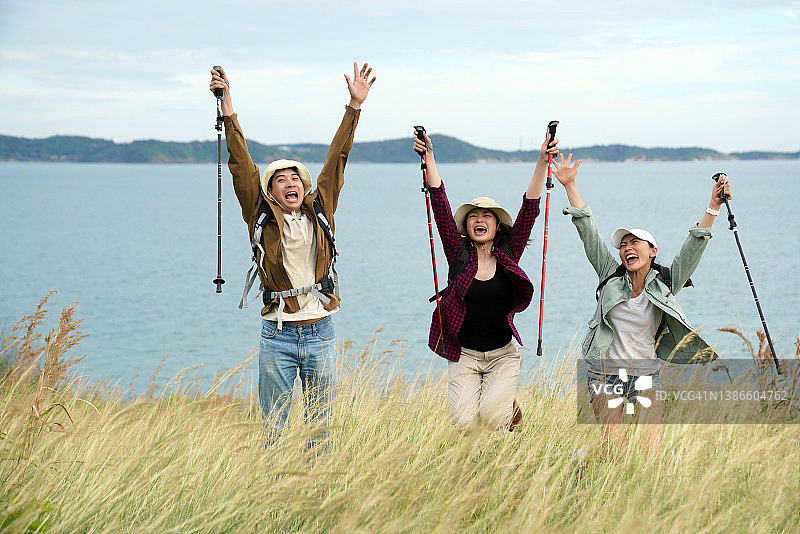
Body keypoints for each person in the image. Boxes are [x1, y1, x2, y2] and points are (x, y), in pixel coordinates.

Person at [209, 63, 376, 446]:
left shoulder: (321, 209)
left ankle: (319, 498)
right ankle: (275, 501)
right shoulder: (261, 213)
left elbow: (338, 158)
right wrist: (227, 103)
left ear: (305, 185)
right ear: (270, 190)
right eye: (280, 179)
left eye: (295, 178)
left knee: (321, 428)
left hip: (321, 331)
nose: (290, 183)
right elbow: (239, 162)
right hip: (278, 334)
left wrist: (354, 107)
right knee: (275, 430)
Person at [552, 152, 730, 453]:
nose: (627, 248)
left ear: (652, 251)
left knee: (651, 450)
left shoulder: (666, 283)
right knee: (614, 447)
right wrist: (570, 186)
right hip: (604, 373)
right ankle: (589, 467)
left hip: (646, 374)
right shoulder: (610, 276)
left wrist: (713, 206)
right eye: (623, 245)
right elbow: (588, 232)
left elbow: (694, 246)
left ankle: (592, 462)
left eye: (635, 243)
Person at [411, 130, 559, 431]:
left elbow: (530, 206)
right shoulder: (458, 253)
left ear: (497, 225)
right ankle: (500, 411)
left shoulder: (509, 252)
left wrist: (543, 160)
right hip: (463, 355)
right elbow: (439, 202)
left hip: (503, 354)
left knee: (493, 418)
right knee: (466, 425)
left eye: (487, 216)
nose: (479, 220)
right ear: (466, 225)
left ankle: (507, 414)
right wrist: (430, 159)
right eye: (473, 216)